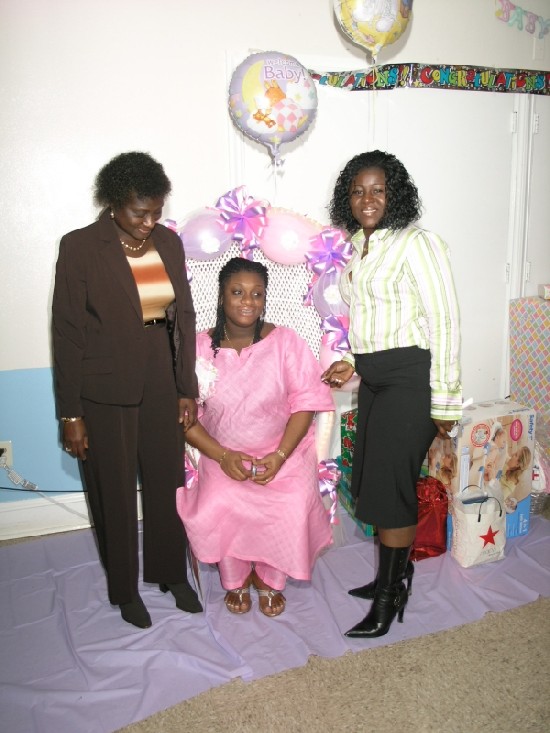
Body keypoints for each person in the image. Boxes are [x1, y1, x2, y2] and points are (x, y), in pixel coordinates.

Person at [52, 151, 202, 628]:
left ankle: (170, 575)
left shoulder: (169, 244)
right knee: (113, 492)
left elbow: (185, 318)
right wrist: (70, 412)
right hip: (104, 387)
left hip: (161, 376)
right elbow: (68, 330)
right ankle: (124, 589)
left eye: (156, 211)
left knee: (166, 482)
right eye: (140, 212)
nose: (148, 221)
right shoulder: (80, 247)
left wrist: (186, 388)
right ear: (115, 203)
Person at [321, 150, 462, 638]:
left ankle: (389, 598)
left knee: (390, 488)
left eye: (378, 189)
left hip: (412, 379)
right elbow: (377, 322)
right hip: (377, 378)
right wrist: (354, 362)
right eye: (358, 190)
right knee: (367, 481)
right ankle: (396, 573)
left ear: (394, 192)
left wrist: (445, 402)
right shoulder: (360, 246)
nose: (367, 198)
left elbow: (442, 322)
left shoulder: (417, 243)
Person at [177, 258, 334, 617]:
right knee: (220, 501)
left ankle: (268, 579)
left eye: (256, 294)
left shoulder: (286, 343)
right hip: (222, 454)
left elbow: (305, 404)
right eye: (237, 292)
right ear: (221, 297)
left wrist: (279, 457)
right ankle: (235, 578)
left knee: (292, 502)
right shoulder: (198, 349)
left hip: (284, 453)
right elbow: (185, 420)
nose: (247, 301)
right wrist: (222, 457)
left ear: (265, 300)